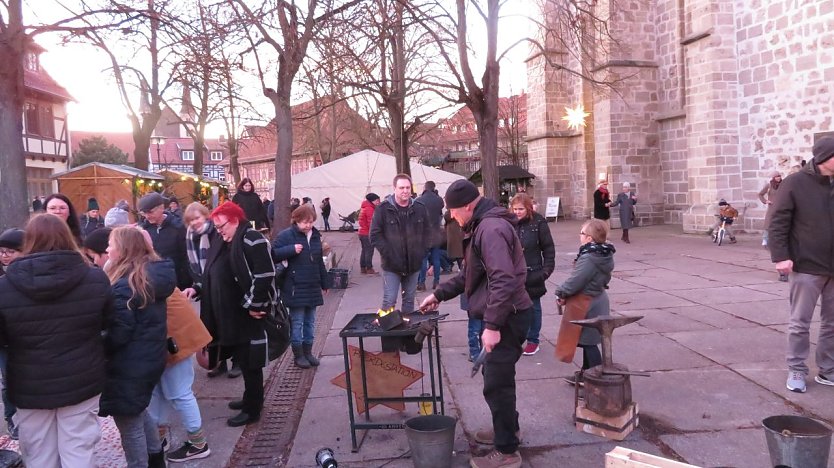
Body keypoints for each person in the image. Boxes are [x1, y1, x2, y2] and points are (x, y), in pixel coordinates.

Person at [419, 179, 532, 468]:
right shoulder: (481, 225)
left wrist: (492, 327)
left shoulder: (490, 229)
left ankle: (507, 452)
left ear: (468, 206)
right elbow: (471, 274)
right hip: (505, 314)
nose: (452, 218)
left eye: (454, 212)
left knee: (496, 384)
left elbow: (503, 279)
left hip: (508, 317)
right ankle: (508, 428)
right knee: (499, 380)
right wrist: (439, 293)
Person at [0, 214, 111, 467]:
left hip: (30, 384)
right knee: (79, 450)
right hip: (82, 376)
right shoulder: (95, 278)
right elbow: (106, 323)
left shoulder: (4, 287)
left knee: (39, 454)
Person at [100, 227, 175, 468]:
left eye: (111, 244)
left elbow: (118, 334)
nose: (107, 249)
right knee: (138, 410)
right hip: (147, 359)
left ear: (123, 249)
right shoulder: (147, 277)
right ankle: (156, 458)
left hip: (129, 364)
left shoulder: (126, 285)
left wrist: (97, 343)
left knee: (128, 422)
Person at [770, 136, 834, 393]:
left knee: (832, 324)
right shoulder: (795, 183)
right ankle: (797, 369)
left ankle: (828, 369)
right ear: (825, 158)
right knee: (800, 322)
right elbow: (778, 222)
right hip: (807, 265)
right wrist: (780, 256)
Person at [204, 202, 278, 427]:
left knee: (251, 362)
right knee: (243, 361)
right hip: (234, 313)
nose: (219, 231)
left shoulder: (251, 238)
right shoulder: (228, 240)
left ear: (235, 220)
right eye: (216, 228)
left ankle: (253, 408)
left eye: (221, 226)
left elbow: (265, 274)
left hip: (248, 313)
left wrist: (254, 305)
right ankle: (248, 398)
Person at [181, 202, 241, 379]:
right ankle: (219, 362)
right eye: (191, 220)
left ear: (206, 216)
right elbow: (192, 263)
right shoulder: (190, 236)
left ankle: (237, 362)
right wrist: (196, 286)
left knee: (230, 325)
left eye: (197, 218)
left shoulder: (217, 232)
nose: (195, 222)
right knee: (211, 327)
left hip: (224, 286)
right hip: (205, 286)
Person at [554, 219, 615, 385]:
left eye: (581, 233)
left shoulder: (590, 257)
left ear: (589, 238)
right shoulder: (603, 252)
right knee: (588, 340)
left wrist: (561, 291)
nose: (579, 236)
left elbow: (577, 280)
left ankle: (595, 382)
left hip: (587, 302)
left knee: (588, 342)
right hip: (596, 299)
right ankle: (586, 374)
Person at [272, 205, 330, 369]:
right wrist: (291, 250)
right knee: (297, 322)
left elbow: (319, 261)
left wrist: (325, 282)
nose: (308, 225)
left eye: (311, 222)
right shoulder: (286, 236)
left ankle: (308, 351)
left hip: (312, 285)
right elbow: (273, 254)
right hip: (294, 287)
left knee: (310, 322)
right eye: (305, 222)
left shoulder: (315, 236)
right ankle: (298, 355)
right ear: (296, 220)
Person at [370, 174, 431, 314]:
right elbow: (374, 235)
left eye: (408, 187)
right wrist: (388, 253)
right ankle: (388, 331)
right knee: (389, 300)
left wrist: (421, 252)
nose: (405, 191)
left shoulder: (420, 208)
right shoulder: (383, 209)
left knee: (409, 300)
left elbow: (428, 233)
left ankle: (407, 332)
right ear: (395, 189)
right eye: (401, 187)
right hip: (391, 266)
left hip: (414, 265)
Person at [511, 193, 555, 356]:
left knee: (533, 307)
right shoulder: (510, 223)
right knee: (514, 308)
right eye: (515, 209)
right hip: (514, 273)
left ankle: (533, 340)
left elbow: (548, 248)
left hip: (533, 271)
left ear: (528, 208)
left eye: (520, 209)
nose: (517, 212)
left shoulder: (538, 222)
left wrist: (546, 270)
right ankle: (517, 338)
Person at [138, 192, 193, 290]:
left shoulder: (178, 227)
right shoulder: (143, 230)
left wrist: (187, 283)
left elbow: (186, 256)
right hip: (152, 282)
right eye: (144, 213)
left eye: (150, 212)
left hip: (177, 283)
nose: (147, 216)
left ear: (162, 208)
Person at [0, 228, 23, 439]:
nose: (5, 255)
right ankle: (12, 417)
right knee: (8, 381)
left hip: (22, 336)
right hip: (4, 341)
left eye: (11, 251)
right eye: (2, 251)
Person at [417, 181, 445, 292]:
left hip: (424, 234)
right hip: (436, 233)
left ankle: (421, 283)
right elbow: (440, 211)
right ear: (434, 188)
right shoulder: (438, 200)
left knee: (423, 260)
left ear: (424, 188)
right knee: (436, 259)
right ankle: (436, 282)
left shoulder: (419, 200)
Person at [758, 171, 782, 248]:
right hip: (772, 207)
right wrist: (766, 201)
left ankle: (779, 241)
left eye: (779, 176)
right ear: (773, 178)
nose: (778, 178)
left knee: (781, 224)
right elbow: (760, 194)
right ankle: (765, 239)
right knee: (768, 224)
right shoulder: (769, 185)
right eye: (776, 177)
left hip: (782, 207)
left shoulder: (784, 185)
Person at [358, 193, 380, 274]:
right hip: (367, 233)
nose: (378, 202)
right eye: (377, 200)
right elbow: (371, 223)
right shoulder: (369, 209)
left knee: (364, 250)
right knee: (369, 251)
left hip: (362, 232)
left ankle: (363, 268)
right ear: (372, 200)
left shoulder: (364, 207)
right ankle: (369, 268)